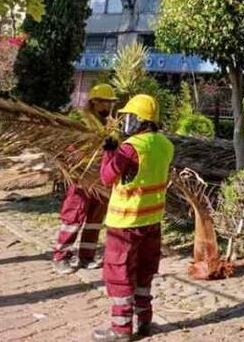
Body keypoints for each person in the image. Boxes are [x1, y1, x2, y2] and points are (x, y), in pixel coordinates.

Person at [93, 94, 174, 342]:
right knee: (144, 272)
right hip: (152, 220)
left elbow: (107, 178)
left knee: (120, 275)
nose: (125, 121)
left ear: (138, 120)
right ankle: (145, 320)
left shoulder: (130, 148)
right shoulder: (165, 145)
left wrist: (109, 152)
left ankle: (121, 329)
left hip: (125, 224)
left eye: (129, 117)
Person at [53, 83, 118, 274]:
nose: (109, 106)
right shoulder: (82, 121)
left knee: (94, 222)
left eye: (111, 103)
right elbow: (71, 150)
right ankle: (60, 258)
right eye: (106, 103)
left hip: (102, 179)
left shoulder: (110, 123)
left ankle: (86, 257)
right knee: (73, 219)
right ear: (95, 102)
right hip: (82, 179)